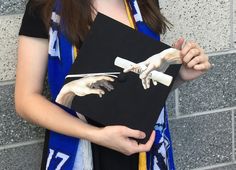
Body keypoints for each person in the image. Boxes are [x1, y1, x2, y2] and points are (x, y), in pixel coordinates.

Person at [15, 0, 211, 169]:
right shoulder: (45, 6)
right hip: (77, 149)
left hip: (141, 150)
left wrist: (179, 75)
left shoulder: (142, 4)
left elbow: (140, 90)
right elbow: (25, 100)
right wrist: (97, 135)